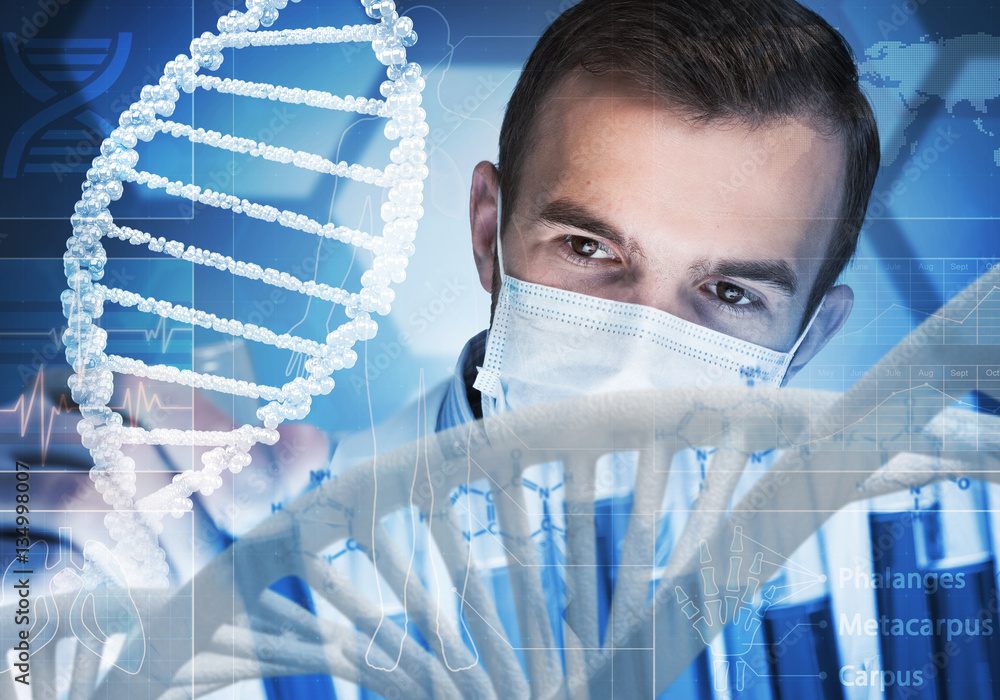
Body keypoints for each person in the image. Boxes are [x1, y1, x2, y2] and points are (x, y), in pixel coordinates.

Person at [324, 0, 880, 698]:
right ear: (487, 232)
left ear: (807, 340)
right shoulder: (293, 555)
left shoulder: (882, 609)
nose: (636, 356)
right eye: (588, 248)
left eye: (733, 293)